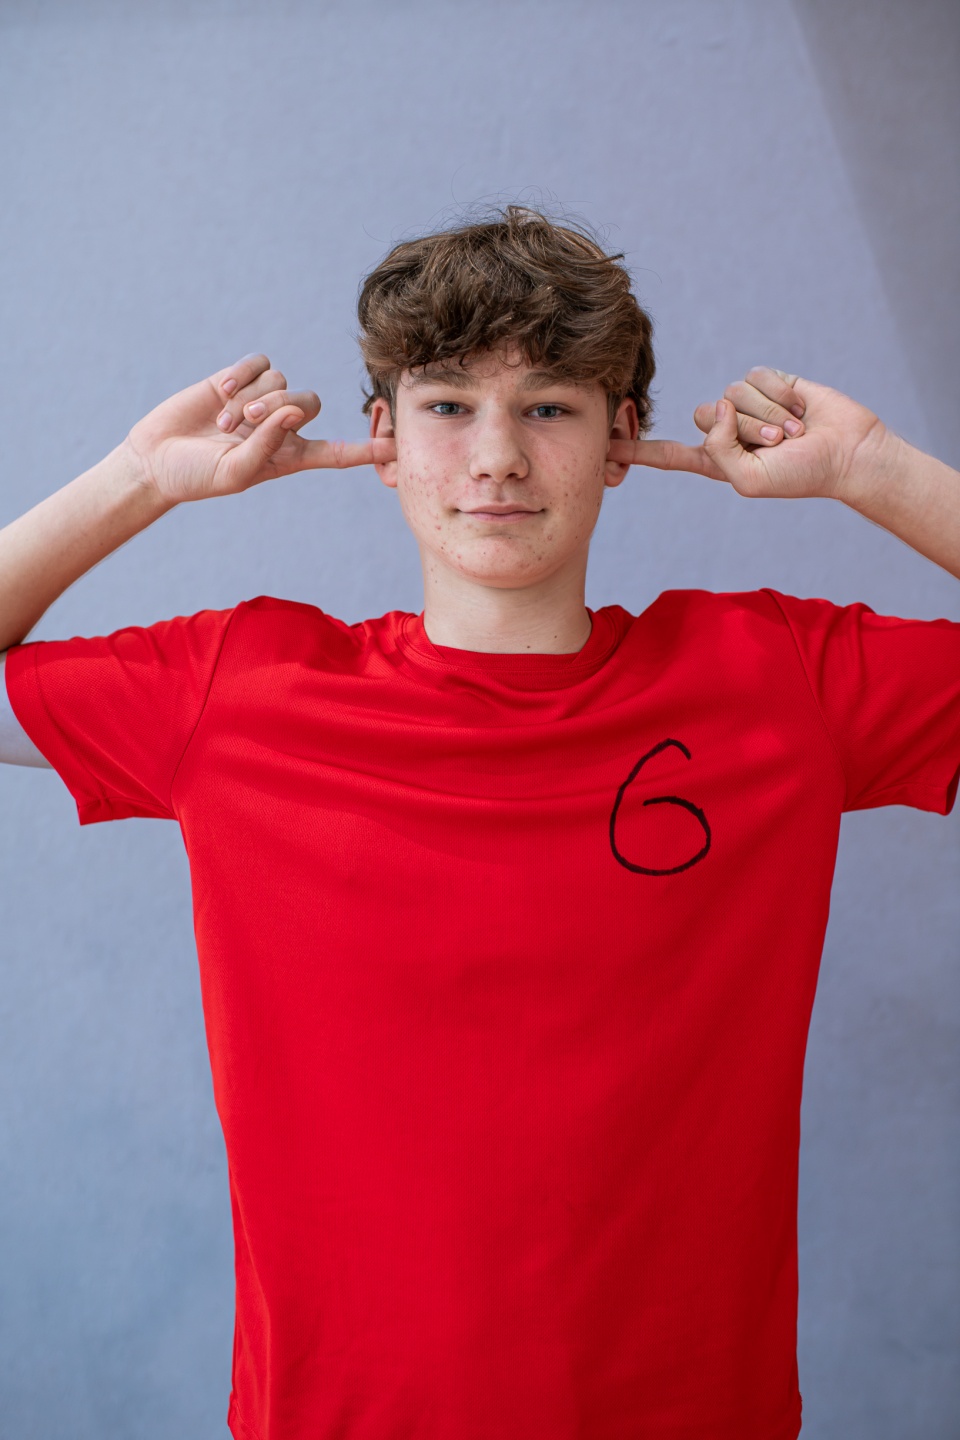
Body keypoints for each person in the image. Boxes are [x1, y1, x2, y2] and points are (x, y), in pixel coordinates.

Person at [1, 206, 957, 1440]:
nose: (497, 456)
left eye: (549, 407)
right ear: (383, 440)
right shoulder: (241, 690)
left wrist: (874, 468)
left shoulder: (774, 678)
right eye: (449, 405)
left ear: (622, 440)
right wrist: (136, 481)